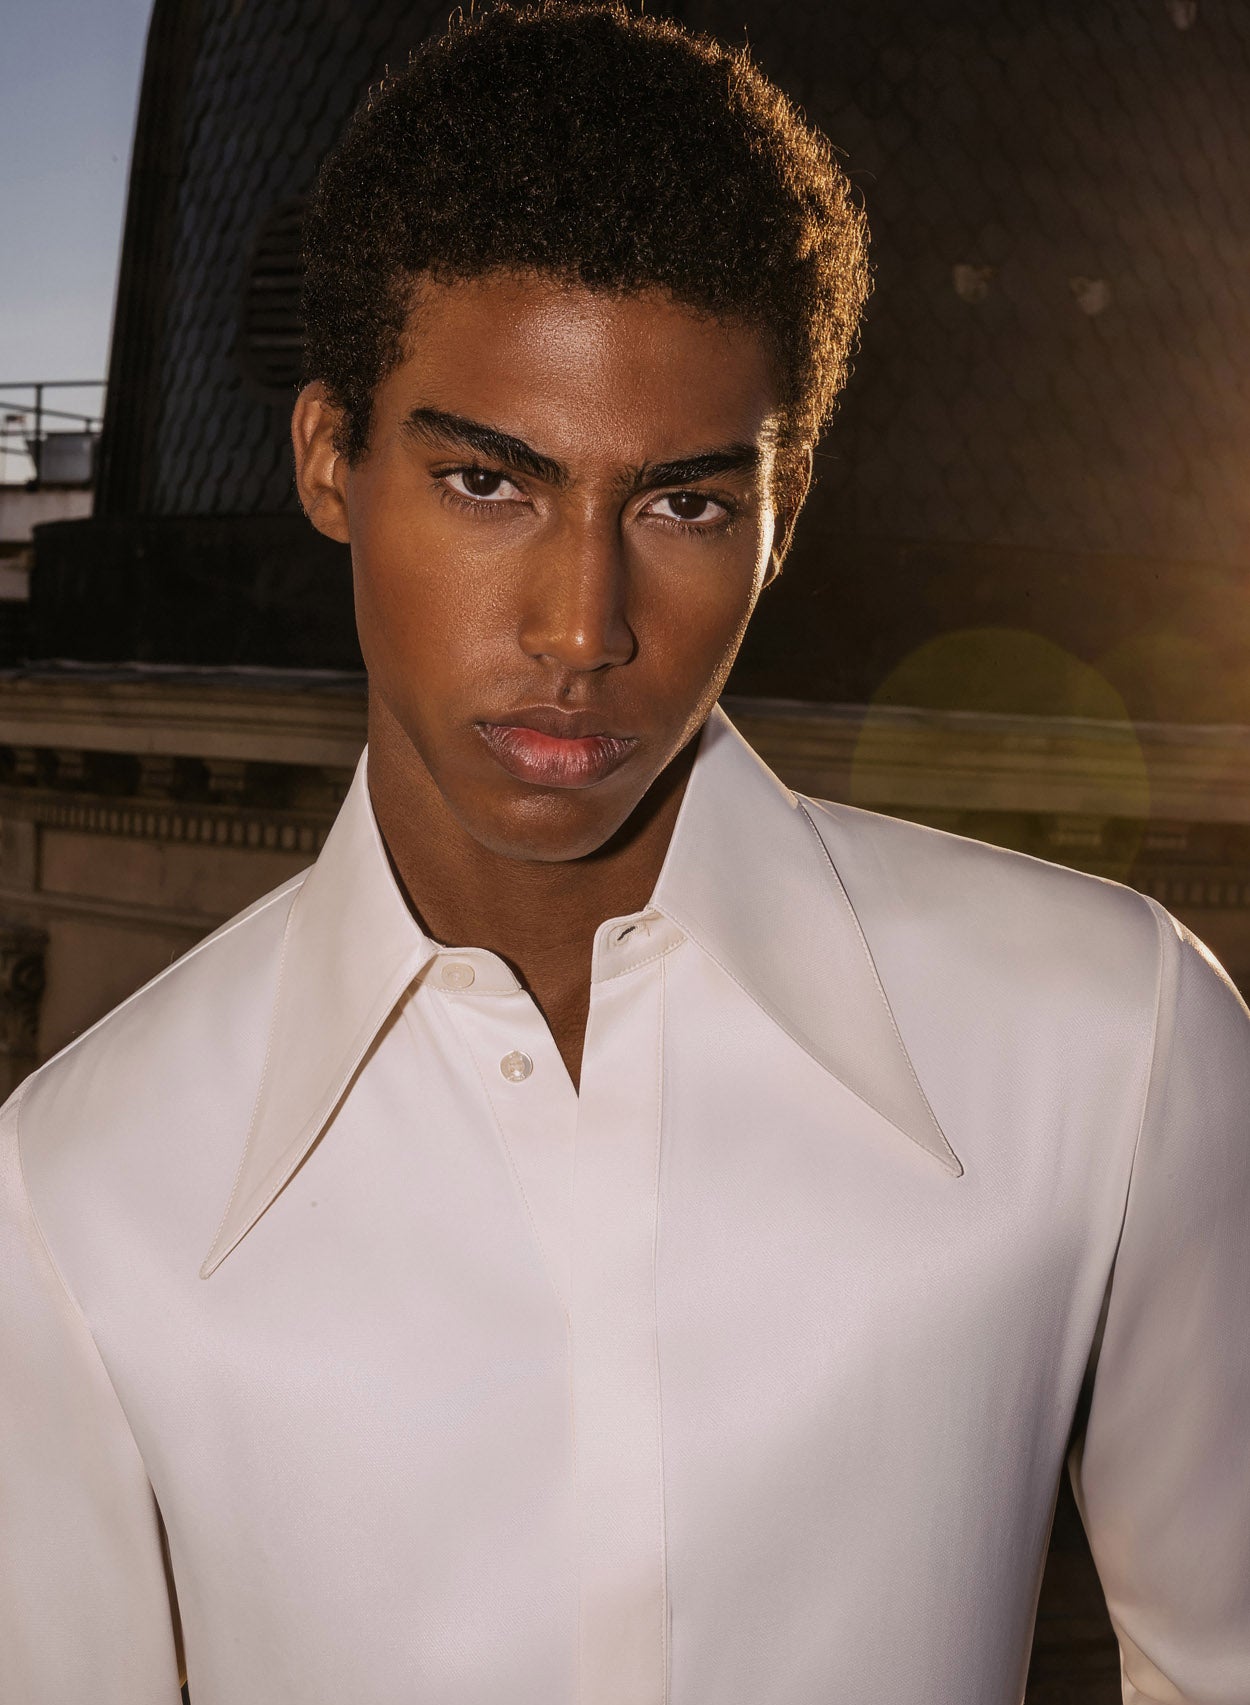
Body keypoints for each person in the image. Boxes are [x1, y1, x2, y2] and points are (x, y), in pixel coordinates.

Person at [2, 3, 1247, 1701]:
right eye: (487, 482)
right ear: (329, 460)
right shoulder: (77, 1193)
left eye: (683, 503)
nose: (581, 628)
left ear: (782, 515)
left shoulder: (1112, 1039)